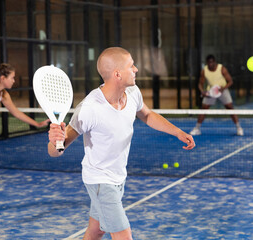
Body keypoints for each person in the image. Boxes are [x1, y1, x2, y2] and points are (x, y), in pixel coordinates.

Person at [48, 47, 195, 240]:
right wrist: (54, 141)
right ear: (117, 74)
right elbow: (56, 151)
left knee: (96, 229)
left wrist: (177, 131)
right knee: (123, 235)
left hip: (118, 177)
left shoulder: (133, 92)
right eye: (131, 65)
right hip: (100, 180)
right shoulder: (90, 109)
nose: (135, 69)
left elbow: (148, 115)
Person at [0, 62, 50, 213]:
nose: (14, 81)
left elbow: (16, 113)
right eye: (12, 77)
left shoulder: (3, 95)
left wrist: (37, 124)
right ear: (2, 78)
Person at [189, 55, 243, 136]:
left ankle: (239, 127)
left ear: (214, 62)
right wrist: (202, 91)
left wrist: (222, 88)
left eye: (212, 62)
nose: (210, 64)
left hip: (222, 90)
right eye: (209, 62)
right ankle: (197, 128)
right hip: (211, 92)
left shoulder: (222, 69)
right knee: (203, 109)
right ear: (207, 63)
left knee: (230, 108)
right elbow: (200, 84)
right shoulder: (204, 71)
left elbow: (230, 81)